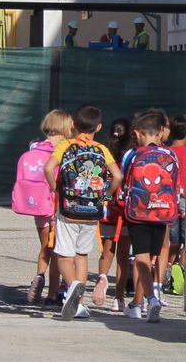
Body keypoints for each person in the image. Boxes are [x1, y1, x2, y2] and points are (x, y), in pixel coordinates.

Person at [44, 105, 122, 320]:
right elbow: (117, 175)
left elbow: (48, 168)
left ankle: (72, 286)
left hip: (68, 209)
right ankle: (77, 305)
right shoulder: (101, 149)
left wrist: (55, 187)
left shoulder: (66, 146)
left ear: (73, 125)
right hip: (92, 210)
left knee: (63, 254)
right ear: (98, 127)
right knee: (82, 255)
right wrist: (106, 196)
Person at [120, 110, 182, 322]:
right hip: (162, 212)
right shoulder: (170, 155)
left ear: (137, 133)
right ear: (161, 132)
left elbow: (122, 178)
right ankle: (141, 301)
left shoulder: (132, 154)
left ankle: (150, 299)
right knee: (151, 259)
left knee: (140, 257)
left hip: (138, 211)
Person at [13, 109, 74, 305]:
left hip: (37, 206)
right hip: (57, 206)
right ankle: (53, 294)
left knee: (45, 247)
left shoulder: (33, 149)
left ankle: (39, 276)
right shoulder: (64, 150)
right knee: (60, 250)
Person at [96, 116, 132, 307]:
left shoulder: (104, 154)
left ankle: (102, 278)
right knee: (123, 258)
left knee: (107, 252)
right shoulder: (130, 157)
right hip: (125, 212)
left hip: (107, 210)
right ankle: (118, 298)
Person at [159, 113, 186, 299]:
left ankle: (168, 269)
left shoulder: (166, 152)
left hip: (170, 198)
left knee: (172, 240)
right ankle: (182, 272)